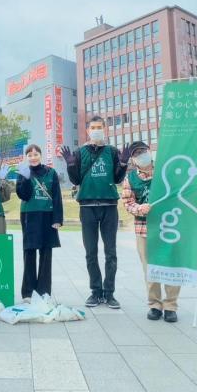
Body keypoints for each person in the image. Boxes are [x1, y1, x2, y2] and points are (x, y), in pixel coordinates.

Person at [122, 141, 197, 323]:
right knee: (150, 269)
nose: (141, 155)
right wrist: (138, 208)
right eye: (136, 154)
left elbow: (187, 190)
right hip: (144, 230)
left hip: (169, 227)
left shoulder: (167, 171)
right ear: (133, 160)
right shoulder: (130, 179)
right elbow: (128, 203)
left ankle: (171, 306)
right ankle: (154, 305)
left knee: (171, 266)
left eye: (143, 151)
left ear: (150, 153)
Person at [60, 115, 129, 309]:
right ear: (88, 130)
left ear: (104, 129)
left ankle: (109, 293)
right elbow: (75, 181)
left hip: (109, 207)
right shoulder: (80, 152)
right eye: (93, 127)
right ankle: (95, 291)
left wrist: (122, 164)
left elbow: (117, 179)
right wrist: (71, 164)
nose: (96, 130)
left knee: (111, 253)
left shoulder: (112, 151)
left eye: (100, 127)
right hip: (87, 207)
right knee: (91, 252)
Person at [16, 144, 63, 300]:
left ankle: (43, 291)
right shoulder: (23, 172)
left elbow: (56, 196)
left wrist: (57, 219)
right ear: (26, 158)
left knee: (46, 252)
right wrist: (26, 179)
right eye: (29, 155)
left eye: (36, 154)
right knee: (29, 252)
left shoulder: (51, 172)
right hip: (29, 215)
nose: (33, 157)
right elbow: (24, 196)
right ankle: (28, 292)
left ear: (40, 156)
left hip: (47, 215)